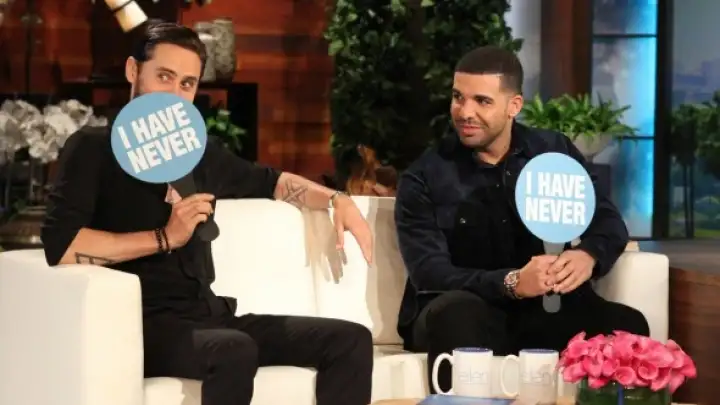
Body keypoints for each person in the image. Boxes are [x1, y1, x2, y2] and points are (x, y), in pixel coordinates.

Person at [41, 20, 374, 405]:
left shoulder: (198, 153)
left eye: (187, 84)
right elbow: (62, 246)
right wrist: (165, 237)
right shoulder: (91, 148)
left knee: (350, 340)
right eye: (164, 77)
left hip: (208, 316)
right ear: (133, 71)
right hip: (141, 325)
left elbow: (273, 182)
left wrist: (336, 199)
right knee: (233, 349)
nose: (175, 95)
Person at [393, 46, 650, 393]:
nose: (465, 112)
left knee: (627, 325)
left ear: (514, 105)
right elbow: (429, 273)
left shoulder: (553, 152)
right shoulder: (424, 176)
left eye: (482, 101)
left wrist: (588, 255)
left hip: (543, 309)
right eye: (457, 97)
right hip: (466, 308)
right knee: (457, 313)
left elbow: (608, 221)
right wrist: (512, 282)